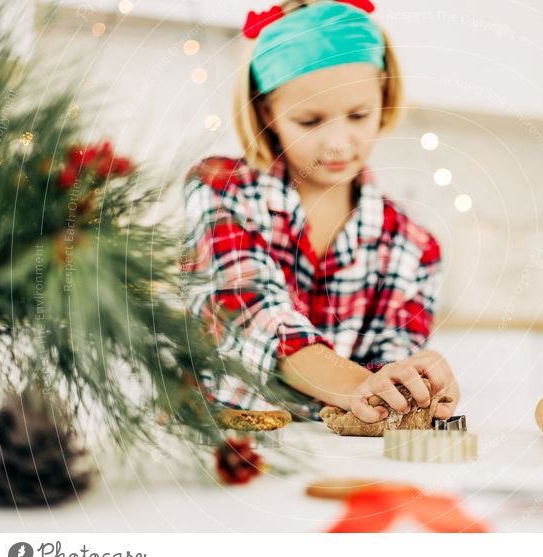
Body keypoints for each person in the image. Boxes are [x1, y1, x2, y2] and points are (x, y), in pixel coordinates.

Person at [182, 0, 460, 424]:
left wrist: (416, 383)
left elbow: (392, 373)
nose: (337, 142)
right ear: (266, 112)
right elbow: (255, 314)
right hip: (220, 453)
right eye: (310, 121)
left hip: (339, 463)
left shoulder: (414, 247)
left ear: (383, 98)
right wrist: (358, 386)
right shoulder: (222, 190)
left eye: (358, 115)